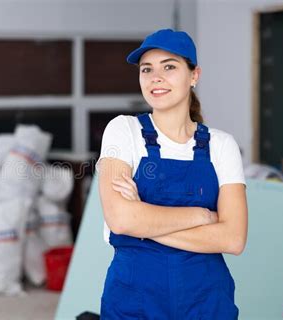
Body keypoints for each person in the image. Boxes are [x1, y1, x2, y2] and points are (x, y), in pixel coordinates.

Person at [96, 28, 248, 319]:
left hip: (206, 300)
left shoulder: (221, 145)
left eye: (169, 67)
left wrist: (145, 221)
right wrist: (202, 216)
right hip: (133, 299)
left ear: (194, 75)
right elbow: (121, 219)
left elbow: (233, 239)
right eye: (147, 69)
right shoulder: (123, 130)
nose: (156, 78)